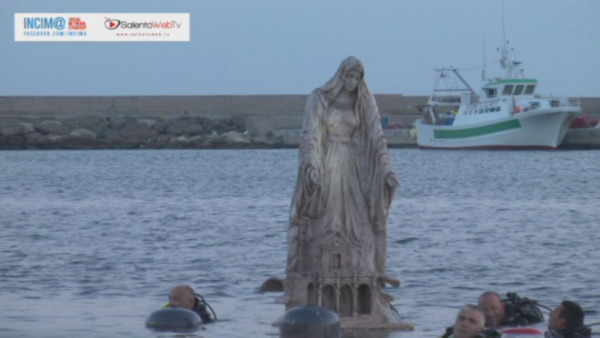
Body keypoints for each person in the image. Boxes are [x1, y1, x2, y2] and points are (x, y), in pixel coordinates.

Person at [287, 56, 399, 274]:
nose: (352, 81)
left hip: (352, 164)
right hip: (327, 161)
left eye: (357, 77)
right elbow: (311, 135)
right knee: (326, 216)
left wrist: (387, 169)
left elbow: (377, 137)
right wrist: (311, 165)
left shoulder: (364, 102)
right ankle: (318, 266)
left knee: (359, 220)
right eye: (350, 76)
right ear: (341, 75)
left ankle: (362, 267)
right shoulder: (320, 99)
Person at [478, 291, 544, 328]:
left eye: (494, 308)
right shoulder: (476, 325)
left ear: (503, 307)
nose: (490, 314)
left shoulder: (519, 321)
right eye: (485, 310)